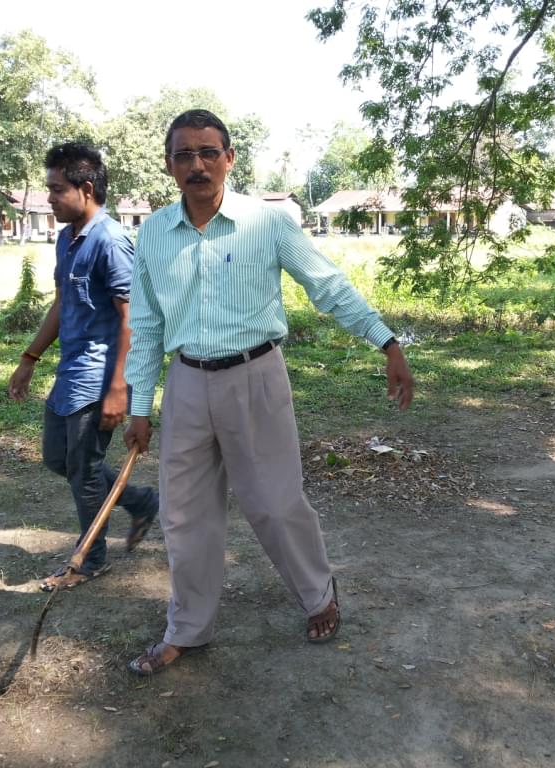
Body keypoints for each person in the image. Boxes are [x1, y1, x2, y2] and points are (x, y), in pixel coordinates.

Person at [123, 109, 414, 674]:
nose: (197, 165)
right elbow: (148, 327)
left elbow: (326, 284)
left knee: (276, 505)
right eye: (184, 155)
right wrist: (140, 405)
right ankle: (188, 626)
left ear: (229, 159)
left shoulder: (267, 222)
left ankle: (318, 594)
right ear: (169, 165)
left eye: (209, 152)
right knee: (183, 517)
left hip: (255, 377)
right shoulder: (154, 232)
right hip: (185, 383)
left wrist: (388, 343)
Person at [8, 142, 158, 592]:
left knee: (85, 468)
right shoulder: (67, 238)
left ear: (85, 188)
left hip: (100, 378)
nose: (49, 199)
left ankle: (89, 559)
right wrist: (29, 359)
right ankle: (141, 500)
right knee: (59, 460)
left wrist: (119, 390)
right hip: (70, 374)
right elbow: (61, 302)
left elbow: (133, 318)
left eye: (56, 190)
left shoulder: (111, 243)